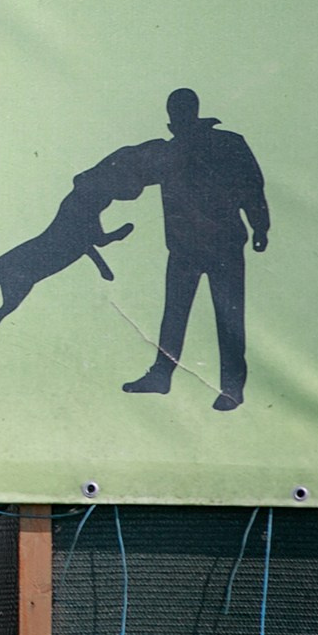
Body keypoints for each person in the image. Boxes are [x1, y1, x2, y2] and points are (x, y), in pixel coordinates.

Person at [115, 86, 269, 410]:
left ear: (177, 114)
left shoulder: (211, 146)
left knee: (222, 316)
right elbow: (131, 175)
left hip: (218, 246)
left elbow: (251, 184)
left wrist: (260, 226)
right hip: (190, 247)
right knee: (180, 315)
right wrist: (259, 226)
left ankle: (228, 388)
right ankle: (167, 377)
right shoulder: (180, 150)